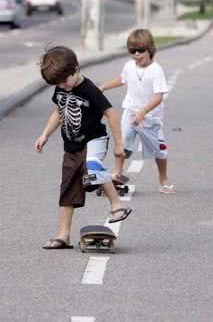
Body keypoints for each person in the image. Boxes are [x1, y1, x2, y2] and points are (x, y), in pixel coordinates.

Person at [34, 46, 132, 250]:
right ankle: (63, 235)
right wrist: (45, 134)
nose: (62, 86)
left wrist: (119, 144)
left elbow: (112, 114)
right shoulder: (61, 87)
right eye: (57, 84)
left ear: (76, 69)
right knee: (68, 187)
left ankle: (116, 206)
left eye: (64, 81)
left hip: (94, 140)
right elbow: (57, 113)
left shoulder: (90, 90)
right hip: (71, 146)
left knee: (92, 168)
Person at [99, 29, 176, 194]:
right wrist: (104, 86)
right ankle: (116, 174)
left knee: (160, 150)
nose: (136, 54)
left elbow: (158, 97)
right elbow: (122, 79)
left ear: (150, 49)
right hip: (130, 112)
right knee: (122, 143)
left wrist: (143, 111)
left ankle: (163, 180)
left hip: (151, 118)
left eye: (140, 50)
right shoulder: (128, 66)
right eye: (132, 51)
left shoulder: (156, 70)